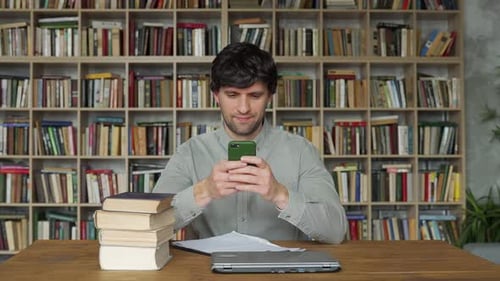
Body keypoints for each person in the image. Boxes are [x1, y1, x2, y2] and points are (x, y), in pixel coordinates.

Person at [153, 42, 347, 244]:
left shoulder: (301, 151)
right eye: (232, 95)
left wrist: (279, 194)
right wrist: (203, 191)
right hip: (208, 273)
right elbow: (148, 225)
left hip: (281, 273)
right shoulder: (190, 153)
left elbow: (335, 231)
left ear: (270, 96)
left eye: (255, 95)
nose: (243, 108)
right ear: (216, 96)